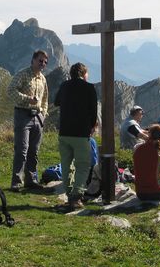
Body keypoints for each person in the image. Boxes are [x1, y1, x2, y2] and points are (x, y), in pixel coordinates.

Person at [54, 62, 98, 210]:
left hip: (64, 131)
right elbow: (93, 111)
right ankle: (77, 196)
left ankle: (69, 193)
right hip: (80, 132)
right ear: (84, 74)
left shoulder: (64, 85)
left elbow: (57, 101)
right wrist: (91, 126)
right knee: (83, 165)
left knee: (66, 164)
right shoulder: (89, 87)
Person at [7, 50, 50, 191]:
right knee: (22, 150)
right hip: (23, 115)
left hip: (37, 116)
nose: (42, 64)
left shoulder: (43, 79)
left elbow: (45, 98)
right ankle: (17, 182)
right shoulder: (23, 74)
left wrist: (43, 113)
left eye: (45, 62)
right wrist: (27, 99)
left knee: (34, 150)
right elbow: (11, 90)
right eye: (40, 60)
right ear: (33, 60)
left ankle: (31, 180)